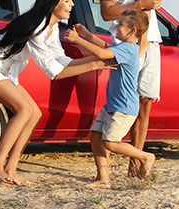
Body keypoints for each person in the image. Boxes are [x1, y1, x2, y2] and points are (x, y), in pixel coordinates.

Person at [0, 0, 112, 185]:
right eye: (66, 1)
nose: (72, 5)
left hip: (1, 69)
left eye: (70, 0)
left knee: (34, 112)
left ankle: (10, 169)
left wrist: (101, 60)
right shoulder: (38, 27)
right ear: (53, 4)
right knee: (24, 110)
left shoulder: (52, 28)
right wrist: (95, 63)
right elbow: (55, 73)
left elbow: (63, 61)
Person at [97, 0, 179, 177]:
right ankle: (105, 174)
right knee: (119, 106)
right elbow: (107, 12)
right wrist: (139, 7)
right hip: (127, 45)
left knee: (145, 102)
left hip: (151, 40)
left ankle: (136, 165)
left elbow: (153, 4)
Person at [65, 10, 156, 187]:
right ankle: (103, 179)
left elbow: (101, 54)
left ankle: (146, 156)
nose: (115, 26)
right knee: (96, 136)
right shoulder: (124, 47)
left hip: (123, 107)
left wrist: (77, 39)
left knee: (110, 142)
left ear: (131, 31)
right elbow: (105, 48)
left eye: (120, 24)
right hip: (112, 105)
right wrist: (88, 35)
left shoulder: (129, 49)